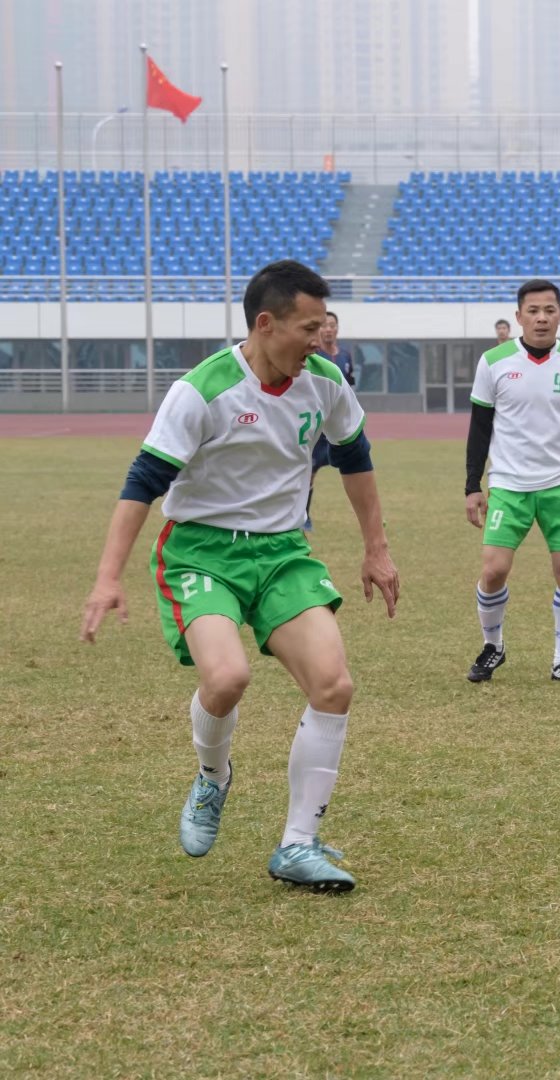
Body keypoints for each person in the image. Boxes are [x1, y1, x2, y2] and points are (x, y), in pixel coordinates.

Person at [79, 259, 401, 893]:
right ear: (265, 323)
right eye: (309, 328)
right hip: (201, 553)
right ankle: (212, 776)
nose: (321, 339)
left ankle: (297, 846)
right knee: (227, 678)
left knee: (333, 685)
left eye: (323, 327)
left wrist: (376, 548)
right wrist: (107, 577)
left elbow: (355, 458)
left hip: (282, 551)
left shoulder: (326, 382)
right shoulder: (203, 390)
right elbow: (143, 482)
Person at [464, 278, 560, 684]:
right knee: (494, 569)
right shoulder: (493, 362)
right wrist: (471, 486)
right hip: (509, 484)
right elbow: (479, 429)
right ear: (519, 317)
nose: (541, 318)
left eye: (549, 310)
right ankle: (492, 647)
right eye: (533, 311)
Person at [304, 311, 356, 531]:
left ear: (337, 328)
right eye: (324, 325)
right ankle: (304, 516)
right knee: (309, 472)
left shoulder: (345, 356)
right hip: (319, 426)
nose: (328, 329)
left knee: (355, 468)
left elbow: (351, 385)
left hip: (340, 425)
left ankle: (362, 516)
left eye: (332, 325)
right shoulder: (313, 357)